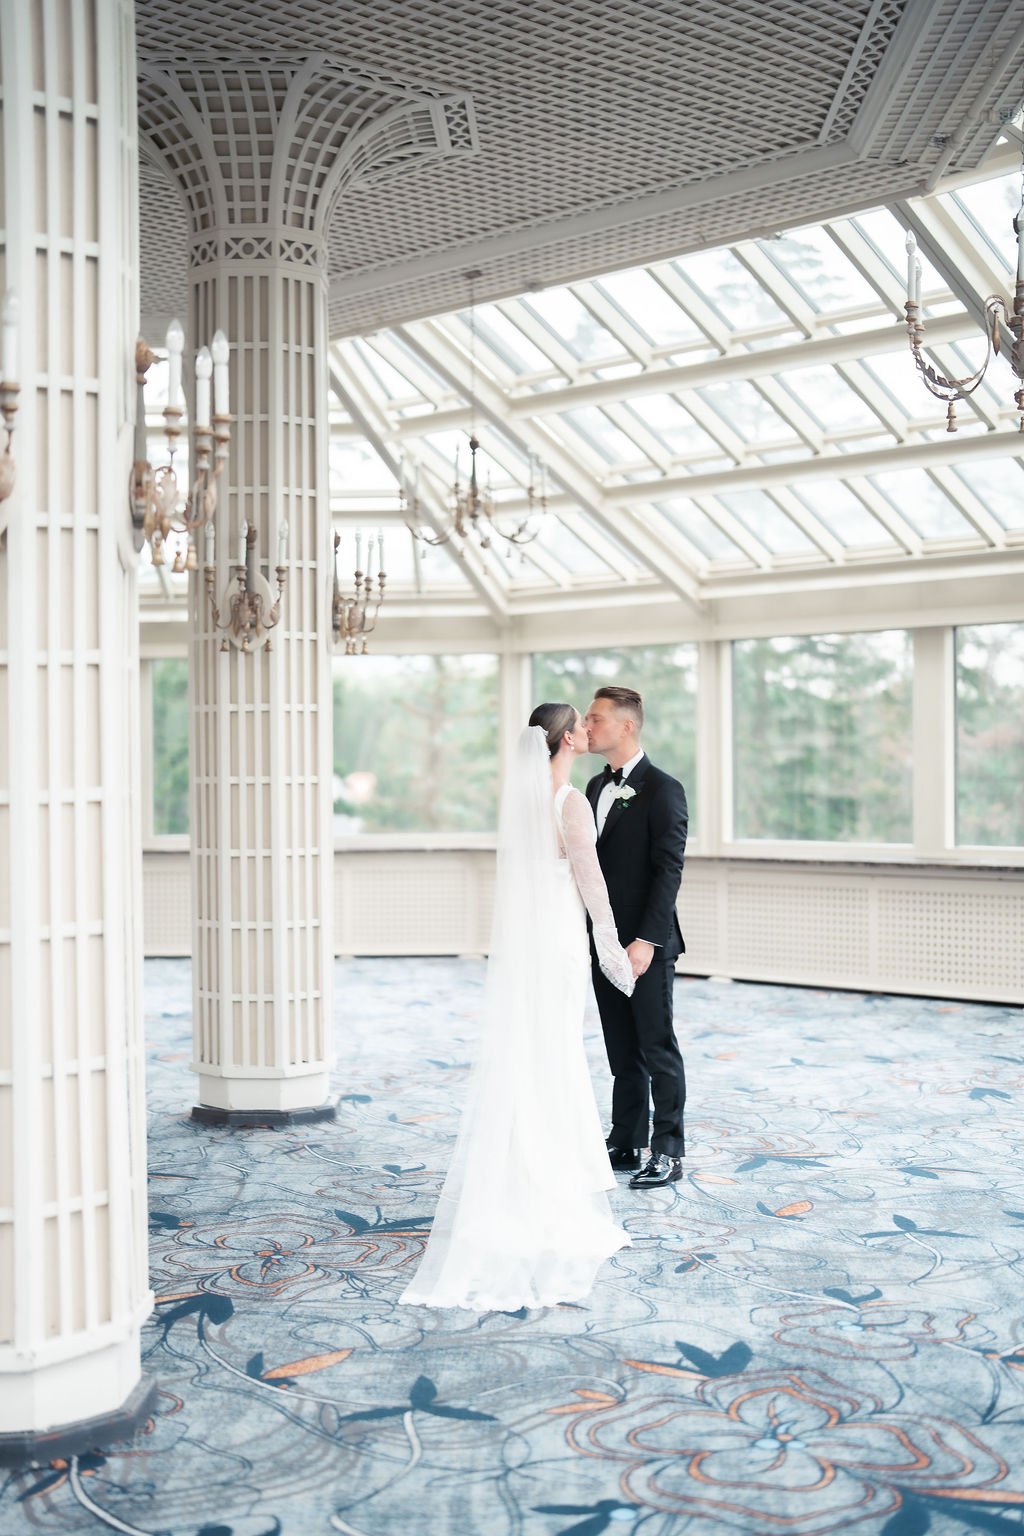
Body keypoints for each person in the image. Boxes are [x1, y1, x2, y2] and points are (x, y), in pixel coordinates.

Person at [399, 703, 635, 1311]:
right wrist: (612, 951)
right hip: (557, 943)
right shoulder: (570, 802)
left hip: (531, 941)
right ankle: (549, 1188)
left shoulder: (525, 799)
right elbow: (592, 883)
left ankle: (519, 1176)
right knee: (555, 1052)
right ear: (562, 739)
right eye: (580, 724)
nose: (588, 731)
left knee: (530, 1053)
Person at [584, 687, 688, 1189]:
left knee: (656, 1044)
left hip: (645, 942)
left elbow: (669, 870)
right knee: (620, 1047)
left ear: (626, 726)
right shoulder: (592, 785)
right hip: (602, 938)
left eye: (596, 717)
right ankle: (626, 1139)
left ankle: (668, 1149)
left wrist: (646, 939)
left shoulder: (664, 789)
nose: (587, 725)